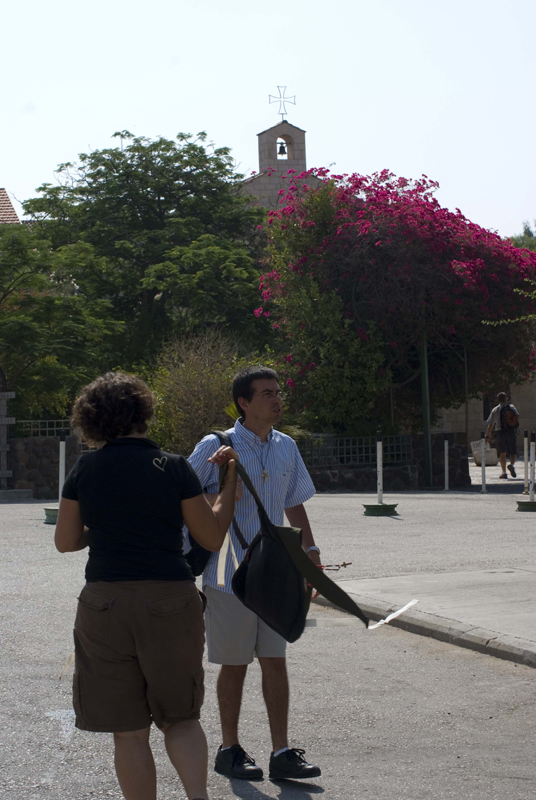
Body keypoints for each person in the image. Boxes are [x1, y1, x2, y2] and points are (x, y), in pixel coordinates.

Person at [54, 372, 239, 800]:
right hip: (169, 597)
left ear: (91, 418)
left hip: (105, 602)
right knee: (181, 719)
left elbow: (66, 541)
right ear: (143, 410)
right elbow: (211, 537)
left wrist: (107, 527)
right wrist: (229, 482)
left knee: (129, 731)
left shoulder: (85, 468)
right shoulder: (173, 467)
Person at [187, 366, 321, 782]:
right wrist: (221, 490)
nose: (277, 399)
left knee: (275, 661)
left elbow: (294, 502)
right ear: (243, 402)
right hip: (228, 573)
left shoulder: (286, 446)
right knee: (235, 664)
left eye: (277, 392)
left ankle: (281, 751)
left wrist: (311, 553)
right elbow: (182, 496)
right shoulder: (216, 445)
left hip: (275, 572)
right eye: (266, 393)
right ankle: (229, 749)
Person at [485, 391, 519, 479]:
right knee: (513, 451)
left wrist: (487, 436)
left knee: (502, 453)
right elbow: (517, 416)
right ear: (506, 399)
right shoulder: (511, 407)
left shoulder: (495, 409)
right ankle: (512, 465)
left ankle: (504, 473)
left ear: (498, 400)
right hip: (510, 431)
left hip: (499, 432)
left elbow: (490, 424)